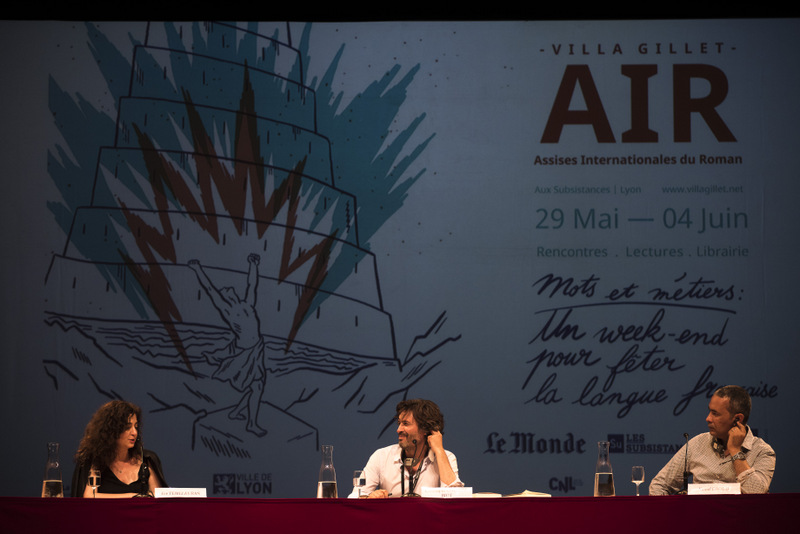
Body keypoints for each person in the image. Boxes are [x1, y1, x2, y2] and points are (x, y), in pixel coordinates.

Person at [189, 254, 268, 436]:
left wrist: (253, 264)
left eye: (230, 290)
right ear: (226, 298)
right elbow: (210, 289)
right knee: (256, 386)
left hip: (256, 349)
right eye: (227, 292)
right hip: (244, 353)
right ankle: (251, 423)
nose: (230, 290)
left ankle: (237, 412)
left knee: (257, 386)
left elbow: (252, 284)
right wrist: (197, 269)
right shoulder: (229, 311)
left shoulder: (248, 304)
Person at [649, 385, 775, 495]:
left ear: (738, 419)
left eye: (715, 414)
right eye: (710, 411)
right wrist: (673, 515)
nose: (708, 418)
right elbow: (659, 485)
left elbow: (757, 494)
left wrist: (736, 451)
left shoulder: (762, 452)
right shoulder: (697, 444)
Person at [348, 398, 463, 498]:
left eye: (406, 424)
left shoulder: (446, 457)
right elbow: (355, 496)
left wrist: (438, 450)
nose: (398, 429)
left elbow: (456, 497)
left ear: (426, 429)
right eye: (399, 423)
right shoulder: (381, 456)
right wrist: (369, 498)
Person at [71, 400, 167, 498]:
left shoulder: (146, 459)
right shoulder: (96, 460)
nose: (134, 432)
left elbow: (158, 500)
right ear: (111, 430)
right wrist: (132, 496)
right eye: (127, 427)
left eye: (136, 426)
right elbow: (89, 496)